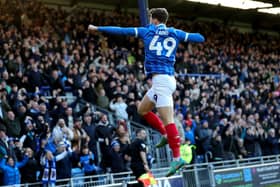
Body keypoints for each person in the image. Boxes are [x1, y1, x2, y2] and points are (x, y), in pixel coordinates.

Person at [88, 8, 205, 176]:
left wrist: (98, 28)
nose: (150, 21)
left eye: (151, 18)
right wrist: (187, 35)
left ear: (155, 20)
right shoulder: (174, 32)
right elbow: (199, 38)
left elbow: (122, 30)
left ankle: (177, 157)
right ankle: (165, 135)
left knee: (169, 121)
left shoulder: (147, 31)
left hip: (161, 82)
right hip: (167, 80)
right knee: (142, 109)